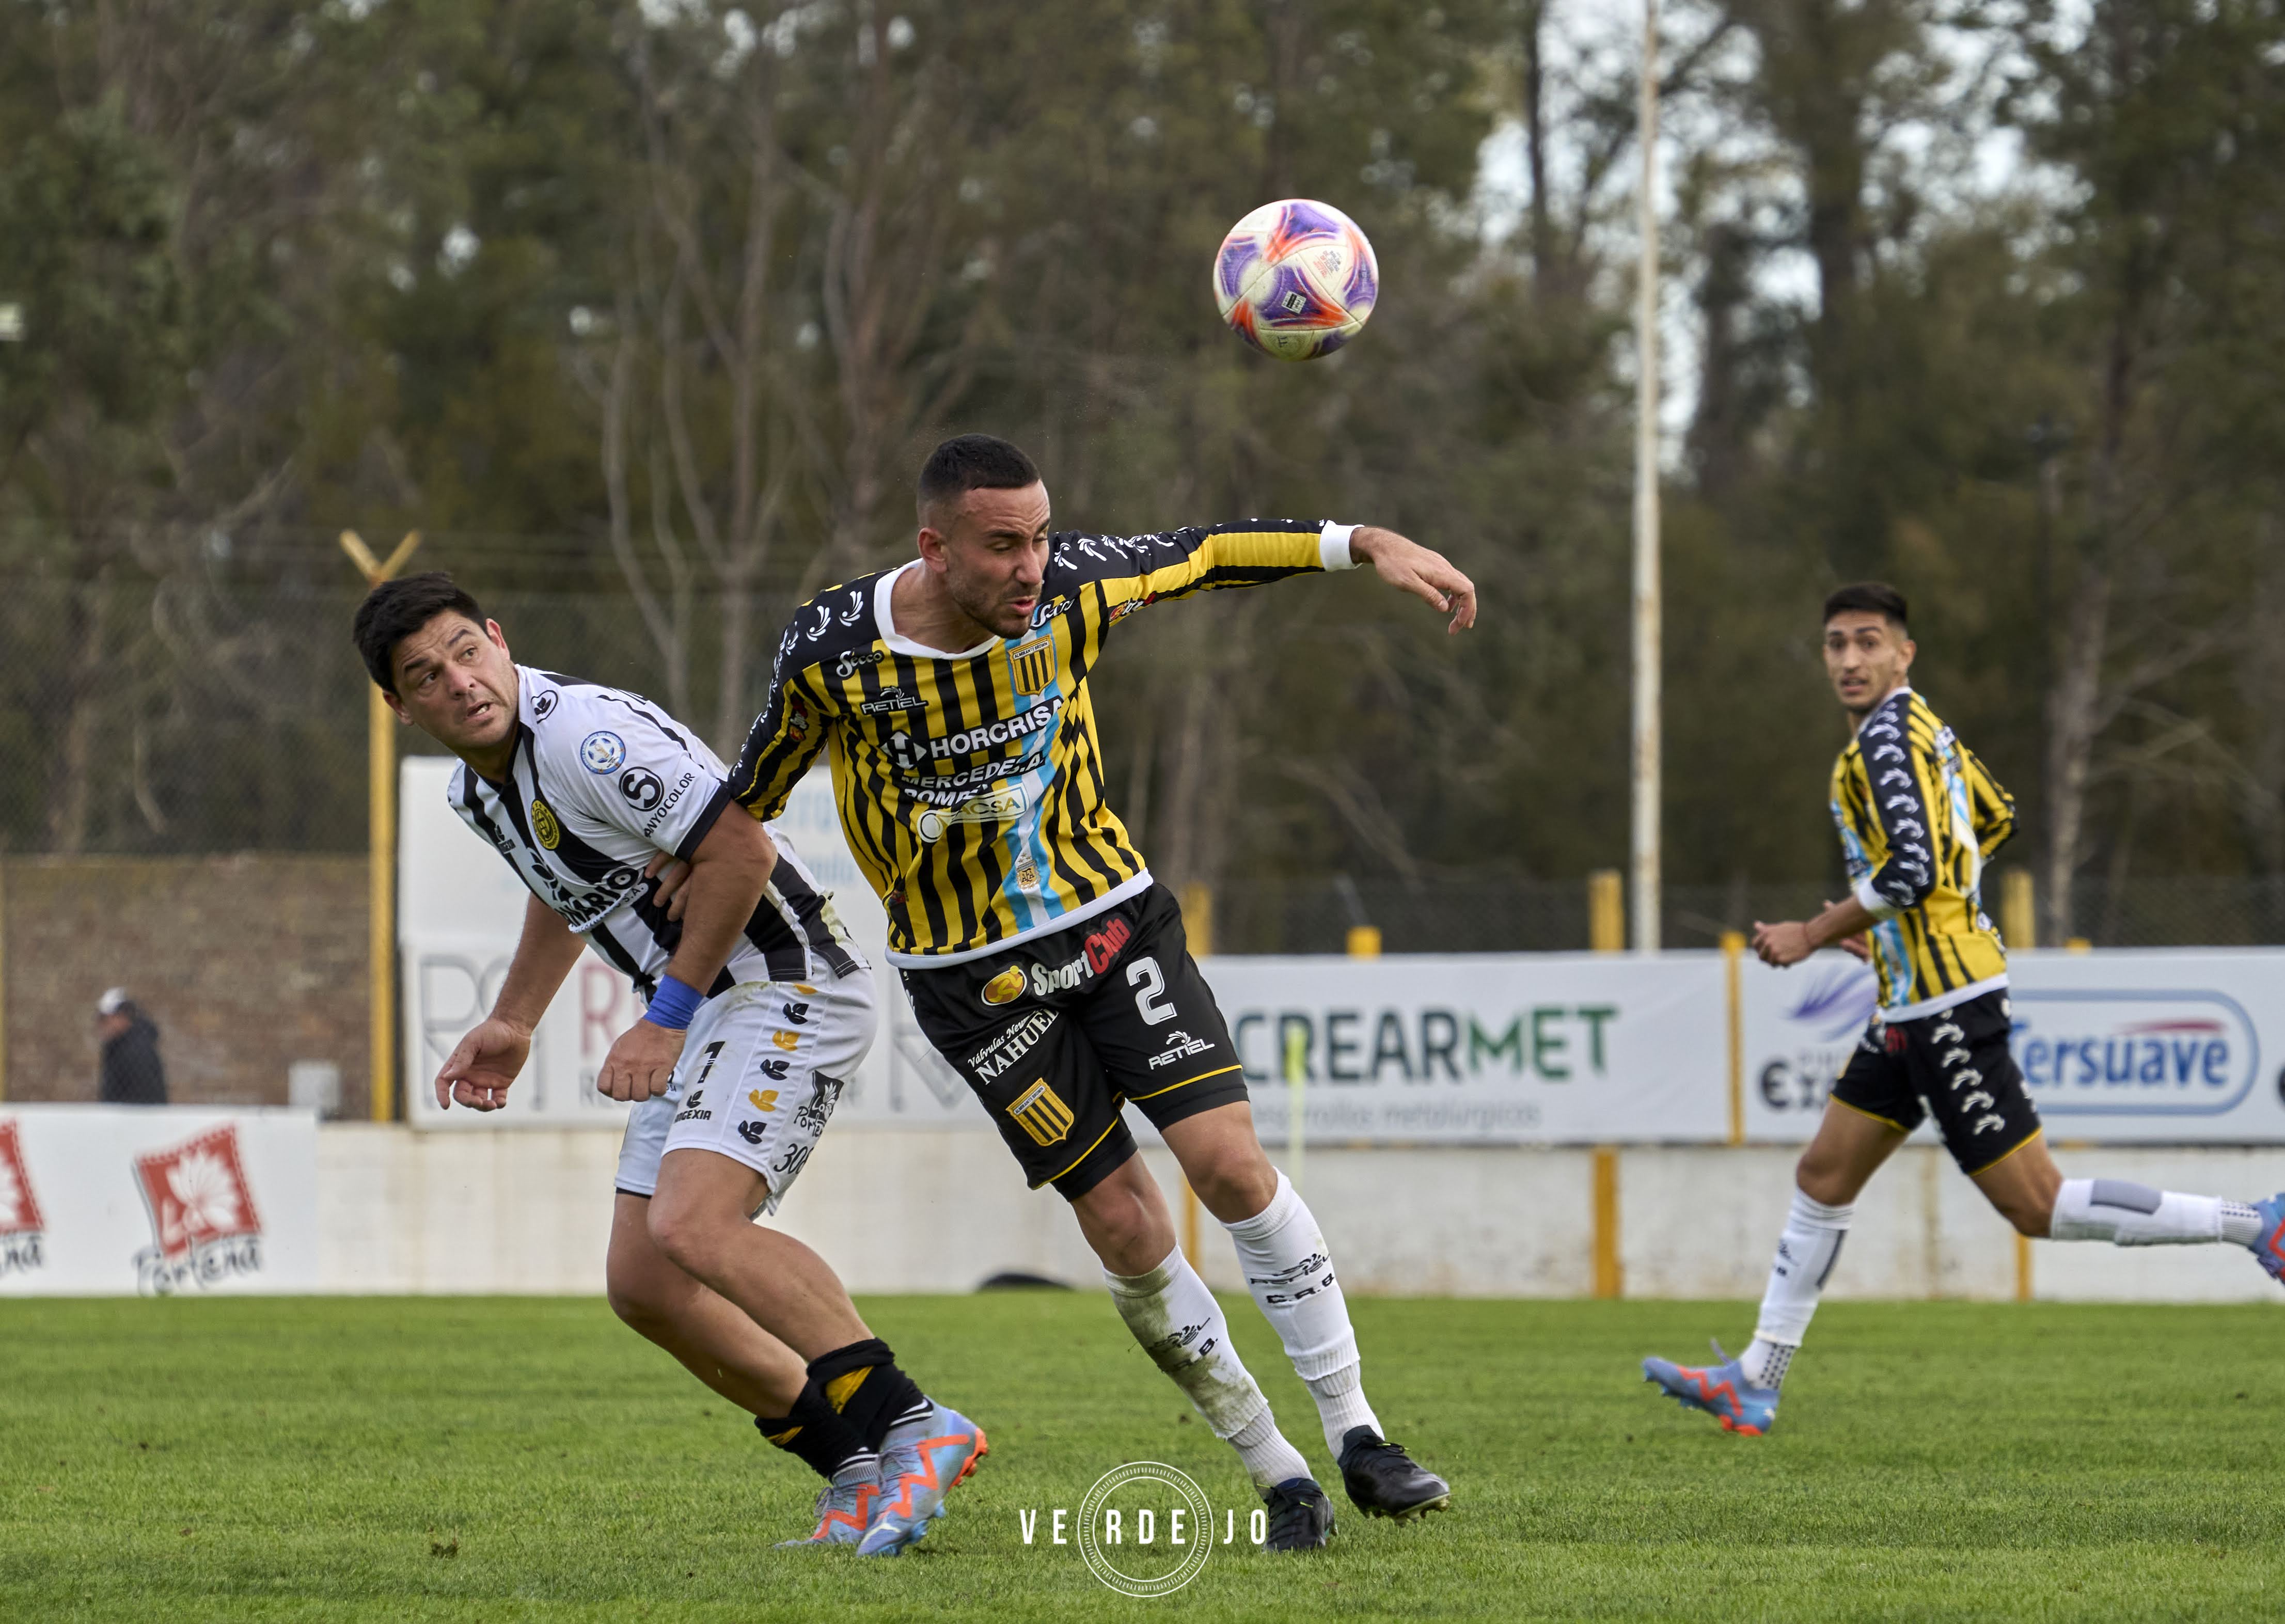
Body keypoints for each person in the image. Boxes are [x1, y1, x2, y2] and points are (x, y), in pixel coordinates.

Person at [714, 433, 1469, 1550]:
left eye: (1042, 537)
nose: (1032, 566)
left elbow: (1209, 553)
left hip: (1111, 922)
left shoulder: (1072, 590)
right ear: (935, 547)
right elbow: (747, 801)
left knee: (1229, 1165)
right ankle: (1280, 1478)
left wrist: (1363, 543)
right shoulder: (830, 650)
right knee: (1124, 1225)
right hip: (969, 979)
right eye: (1003, 545)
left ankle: (1360, 1436)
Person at [350, 572, 983, 1555]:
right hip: (712, 1007)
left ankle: (913, 1424)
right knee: (645, 1284)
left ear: (499, 637)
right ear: (397, 706)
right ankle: (855, 1470)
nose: (462, 683)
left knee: (695, 1223)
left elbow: (742, 855)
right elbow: (570, 891)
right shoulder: (482, 788)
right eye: (426, 675)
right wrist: (515, 1021)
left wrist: (668, 1016)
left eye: (467, 651)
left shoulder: (584, 741)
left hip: (788, 985)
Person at [1643, 581, 2285, 1435]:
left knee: (2038, 1205)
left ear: (1904, 654)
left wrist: (1815, 929)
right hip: (1913, 1000)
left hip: (1947, 1004)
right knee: (1824, 1174)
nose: (1849, 660)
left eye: (1869, 642)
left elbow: (1912, 868)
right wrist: (1907, 932)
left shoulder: (1883, 741)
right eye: (1836, 644)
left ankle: (2257, 1225)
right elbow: (1995, 818)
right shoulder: (1928, 732)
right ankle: (1756, 1379)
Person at [96, 988, 167, 1105]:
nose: (102, 1025)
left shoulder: (137, 1051)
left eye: (106, 1019)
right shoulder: (118, 1048)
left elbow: (146, 1098)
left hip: (137, 1121)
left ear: (123, 1017)